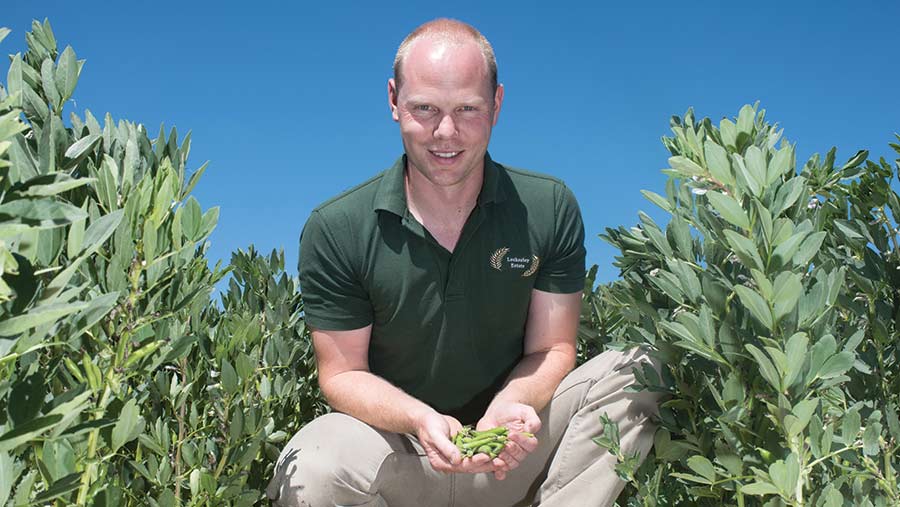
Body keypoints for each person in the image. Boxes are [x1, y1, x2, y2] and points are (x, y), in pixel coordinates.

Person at [267, 18, 661, 507]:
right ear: (394, 101)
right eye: (425, 108)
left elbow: (554, 348)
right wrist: (419, 420)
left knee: (640, 369)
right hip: (402, 457)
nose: (446, 132)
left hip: (514, 452)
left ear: (496, 105)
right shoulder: (338, 227)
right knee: (315, 460)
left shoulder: (548, 206)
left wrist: (511, 406)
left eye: (468, 109)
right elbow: (343, 374)